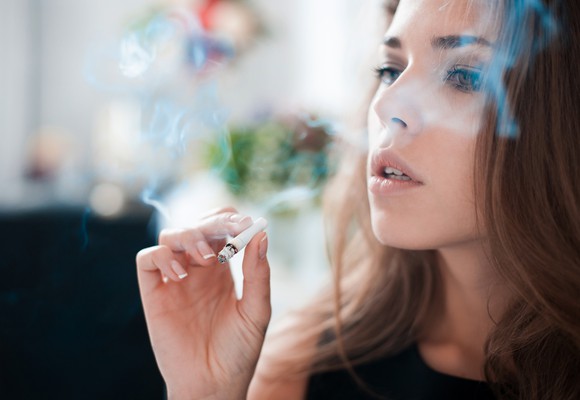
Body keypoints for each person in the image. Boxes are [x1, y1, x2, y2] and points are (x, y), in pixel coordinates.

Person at [136, 0, 580, 398]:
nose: (388, 103)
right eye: (390, 69)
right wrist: (206, 393)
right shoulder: (302, 368)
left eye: (464, 76)